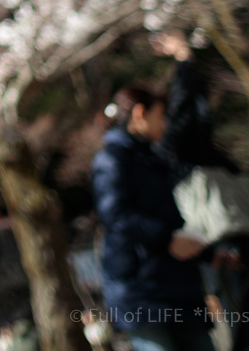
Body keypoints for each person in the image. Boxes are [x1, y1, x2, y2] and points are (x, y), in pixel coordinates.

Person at [152, 29, 249, 351]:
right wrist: (184, 58)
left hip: (246, 241)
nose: (166, 119)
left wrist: (187, 60)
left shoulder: (193, 150)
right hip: (222, 245)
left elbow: (195, 111)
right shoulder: (170, 152)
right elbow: (186, 108)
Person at [91, 85, 213, 351]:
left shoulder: (150, 157)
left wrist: (207, 253)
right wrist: (167, 239)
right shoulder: (112, 159)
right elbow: (115, 215)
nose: (165, 123)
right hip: (141, 289)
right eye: (160, 114)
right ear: (139, 113)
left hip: (172, 282)